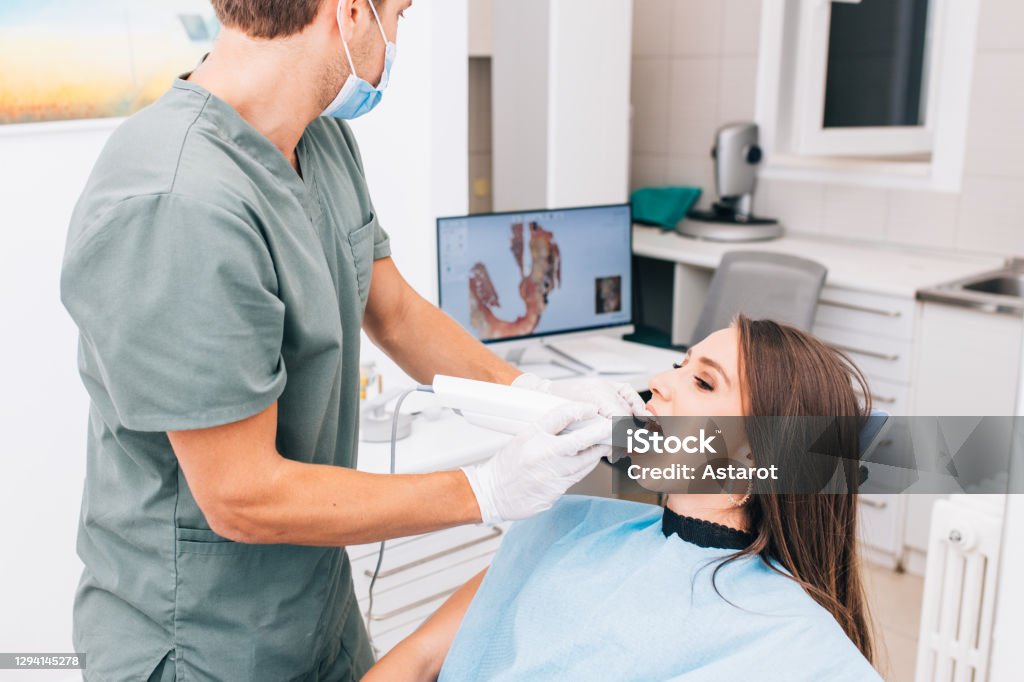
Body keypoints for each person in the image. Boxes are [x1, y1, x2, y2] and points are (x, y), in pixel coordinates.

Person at [58, 1, 644, 680]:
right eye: (398, 13)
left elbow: (392, 310)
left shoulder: (320, 140)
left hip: (315, 608)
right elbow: (241, 498)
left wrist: (535, 396)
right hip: (201, 638)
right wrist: (483, 490)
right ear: (350, 12)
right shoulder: (177, 200)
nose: (396, 36)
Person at [366, 316, 884, 681]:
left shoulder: (787, 634)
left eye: (702, 382)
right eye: (681, 364)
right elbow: (420, 657)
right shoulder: (569, 523)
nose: (658, 382)